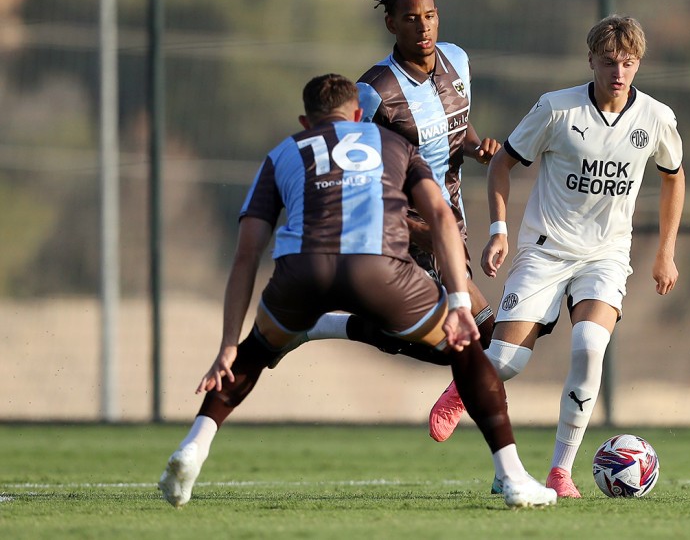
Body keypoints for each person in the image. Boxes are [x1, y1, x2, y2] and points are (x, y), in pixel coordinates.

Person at [157, 74, 556, 509]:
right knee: (467, 351)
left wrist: (226, 346)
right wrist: (460, 303)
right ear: (359, 115)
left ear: (305, 121)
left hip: (302, 272)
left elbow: (246, 253)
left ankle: (193, 448)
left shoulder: (283, 153)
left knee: (253, 350)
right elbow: (441, 217)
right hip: (378, 269)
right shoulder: (394, 144)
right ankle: (513, 477)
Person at [428, 15, 686, 498]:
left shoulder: (655, 117)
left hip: (606, 256)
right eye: (609, 62)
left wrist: (665, 253)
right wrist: (500, 231)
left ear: (638, 65)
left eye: (628, 63)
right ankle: (461, 389)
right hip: (546, 251)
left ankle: (559, 472)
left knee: (590, 348)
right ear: (590, 61)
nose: (619, 72)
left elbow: (674, 176)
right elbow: (502, 162)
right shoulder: (556, 109)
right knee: (504, 361)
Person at [283, 0, 500, 363]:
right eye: (411, 18)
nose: (423, 26)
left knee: (441, 341)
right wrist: (414, 231)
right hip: (402, 225)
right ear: (391, 24)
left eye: (430, 16)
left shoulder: (458, 61)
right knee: (483, 336)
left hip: (449, 217)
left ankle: (321, 325)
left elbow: (457, 123)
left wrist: (477, 148)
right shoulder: (373, 90)